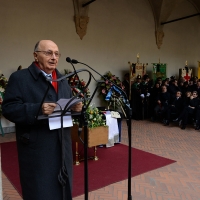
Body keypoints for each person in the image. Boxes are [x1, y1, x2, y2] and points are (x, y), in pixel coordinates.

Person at [2, 40, 83, 200]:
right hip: (38, 151)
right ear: (35, 55)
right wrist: (38, 109)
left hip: (63, 148)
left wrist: (77, 109)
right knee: (41, 192)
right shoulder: (20, 78)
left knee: (63, 191)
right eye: (48, 53)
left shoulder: (63, 80)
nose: (54, 57)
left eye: (56, 54)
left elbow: (64, 108)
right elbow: (9, 109)